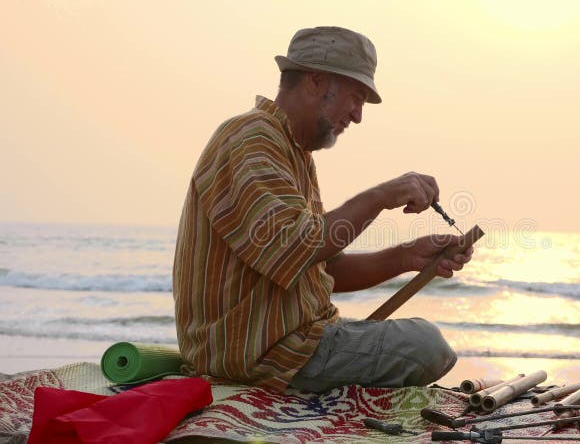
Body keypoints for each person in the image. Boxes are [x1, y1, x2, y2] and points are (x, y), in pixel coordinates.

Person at [173, 26, 473, 393]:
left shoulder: (292, 152)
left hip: (291, 343)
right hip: (259, 357)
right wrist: (382, 195)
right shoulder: (251, 138)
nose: (358, 115)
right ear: (316, 81)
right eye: (356, 97)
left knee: (421, 345)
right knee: (424, 345)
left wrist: (407, 257)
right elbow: (292, 247)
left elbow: (323, 268)